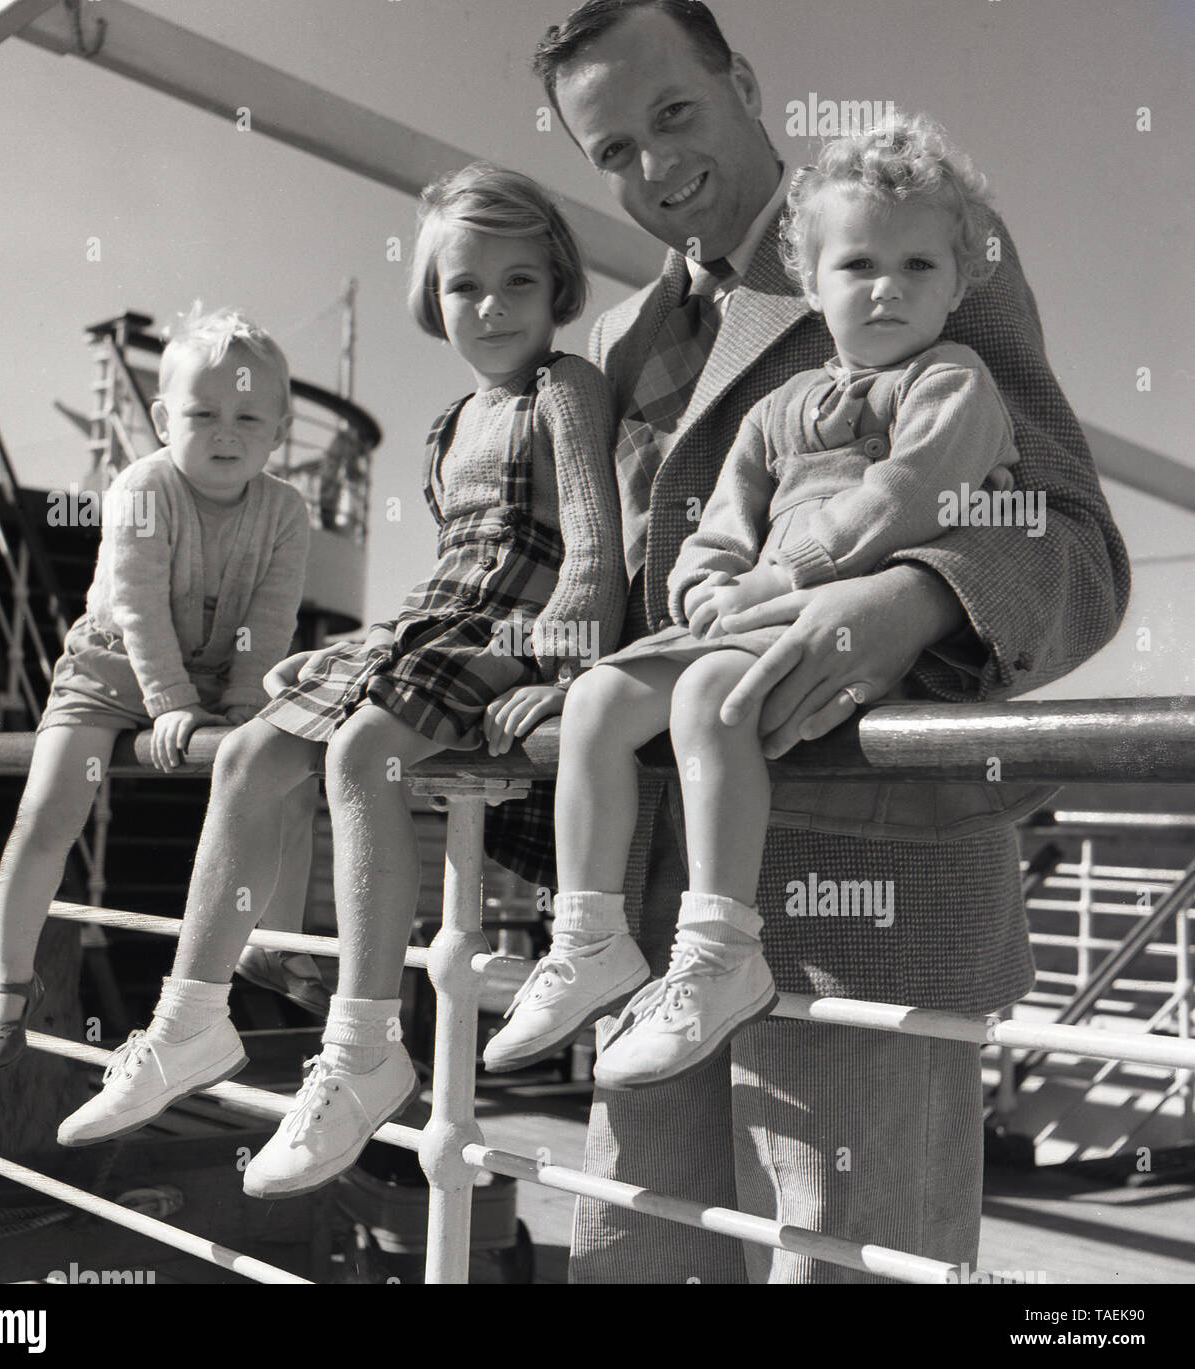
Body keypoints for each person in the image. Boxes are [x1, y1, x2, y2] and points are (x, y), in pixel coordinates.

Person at [495, 0, 1128, 1282]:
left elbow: (1070, 536)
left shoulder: (913, 235)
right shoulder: (616, 343)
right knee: (634, 1261)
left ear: (741, 78)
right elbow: (617, 585)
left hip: (870, 888)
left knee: (839, 1269)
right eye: (611, 150)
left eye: (673, 113)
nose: (654, 166)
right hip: (653, 911)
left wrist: (913, 601)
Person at [56, 164, 627, 1201]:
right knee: (250, 751)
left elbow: (591, 545)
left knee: (364, 755)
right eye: (464, 287)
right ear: (433, 296)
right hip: (436, 612)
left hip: (513, 617)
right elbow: (454, 555)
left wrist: (567, 665)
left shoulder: (566, 389)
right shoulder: (449, 423)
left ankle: (365, 1041)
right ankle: (191, 1014)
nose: (489, 307)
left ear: (558, 292)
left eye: (517, 284)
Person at [486, 111, 1022, 1087]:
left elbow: (908, 497)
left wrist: (787, 574)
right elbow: (720, 525)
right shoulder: (781, 411)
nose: (889, 288)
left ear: (959, 280)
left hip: (838, 623)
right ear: (812, 284)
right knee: (600, 700)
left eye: (918, 267)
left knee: (706, 701)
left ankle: (723, 949)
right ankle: (587, 933)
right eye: (859, 265)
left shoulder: (952, 381)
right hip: (747, 616)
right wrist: (706, 586)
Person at [0, 305, 311, 1071]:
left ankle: (268, 943)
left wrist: (242, 704)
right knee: (48, 810)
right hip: (114, 666)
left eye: (249, 416)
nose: (226, 432)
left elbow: (271, 612)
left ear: (279, 432)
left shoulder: (286, 511)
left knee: (289, 770)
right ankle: (8, 984)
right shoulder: (142, 487)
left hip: (222, 671)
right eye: (203, 413)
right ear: (163, 419)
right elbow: (138, 606)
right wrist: (171, 707)